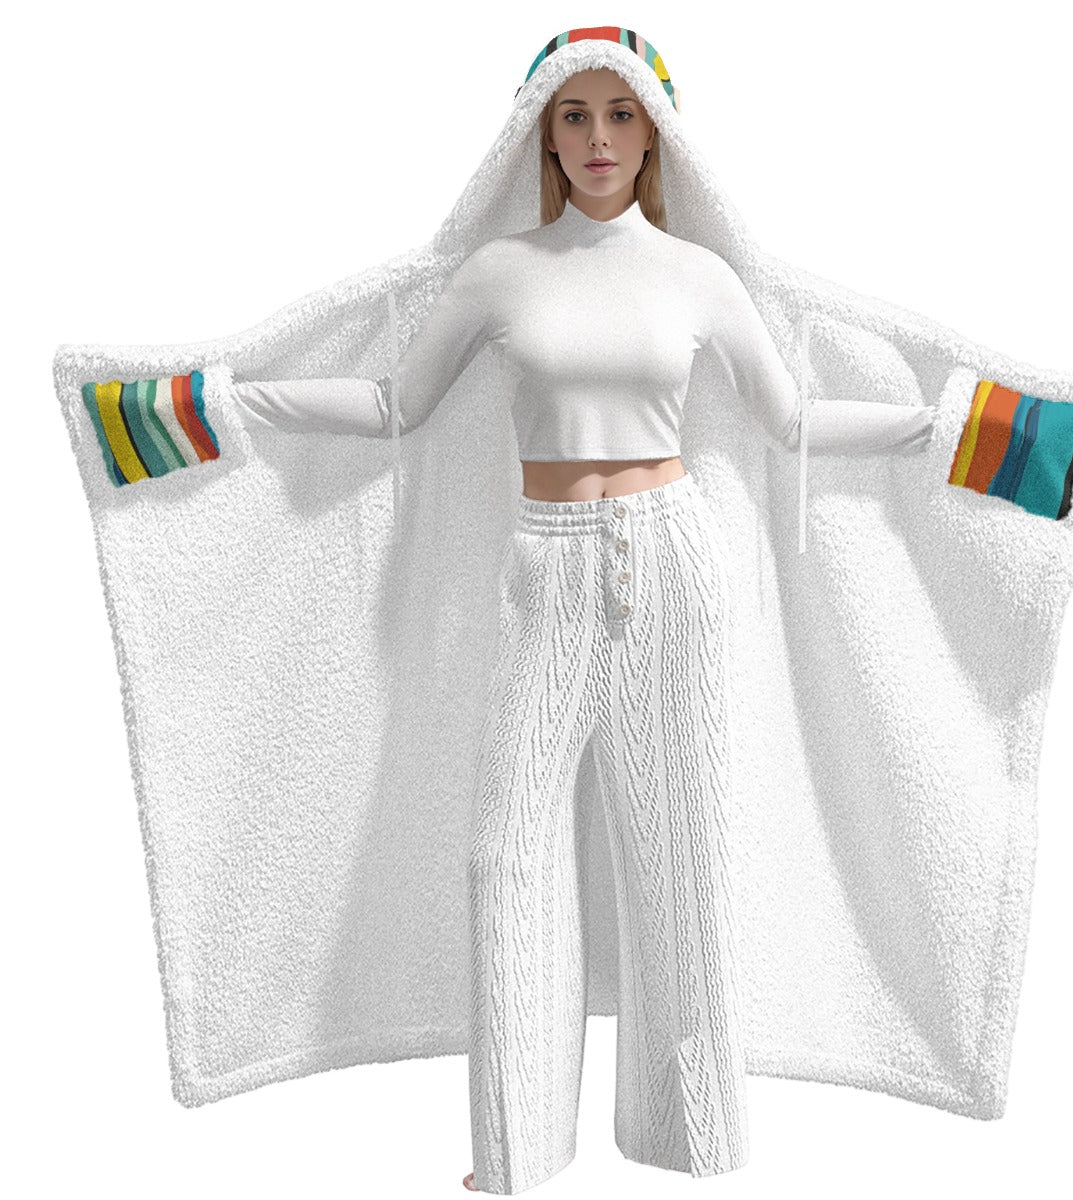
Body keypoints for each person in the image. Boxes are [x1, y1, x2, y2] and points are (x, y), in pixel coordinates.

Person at [227, 51, 932, 1199]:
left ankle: (695, 1140)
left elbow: (791, 420)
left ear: (655, 136)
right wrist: (230, 401)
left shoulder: (698, 275)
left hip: (671, 564)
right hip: (544, 566)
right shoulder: (501, 273)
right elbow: (398, 404)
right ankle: (513, 1156)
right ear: (541, 136)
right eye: (573, 116)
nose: (598, 137)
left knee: (682, 852)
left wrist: (948, 431)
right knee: (504, 855)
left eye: (619, 115)